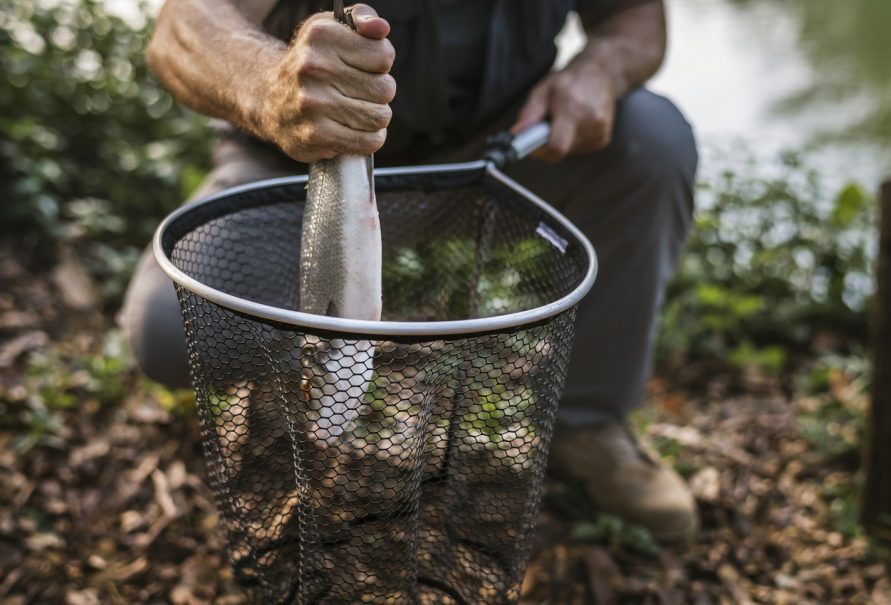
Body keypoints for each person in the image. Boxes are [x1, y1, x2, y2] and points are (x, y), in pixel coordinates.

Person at [122, 0, 699, 544]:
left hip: (506, 149)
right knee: (169, 331)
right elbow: (181, 28)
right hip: (303, 163)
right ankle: (285, 383)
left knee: (652, 140)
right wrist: (272, 86)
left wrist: (601, 68)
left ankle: (589, 426)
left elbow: (637, 19)